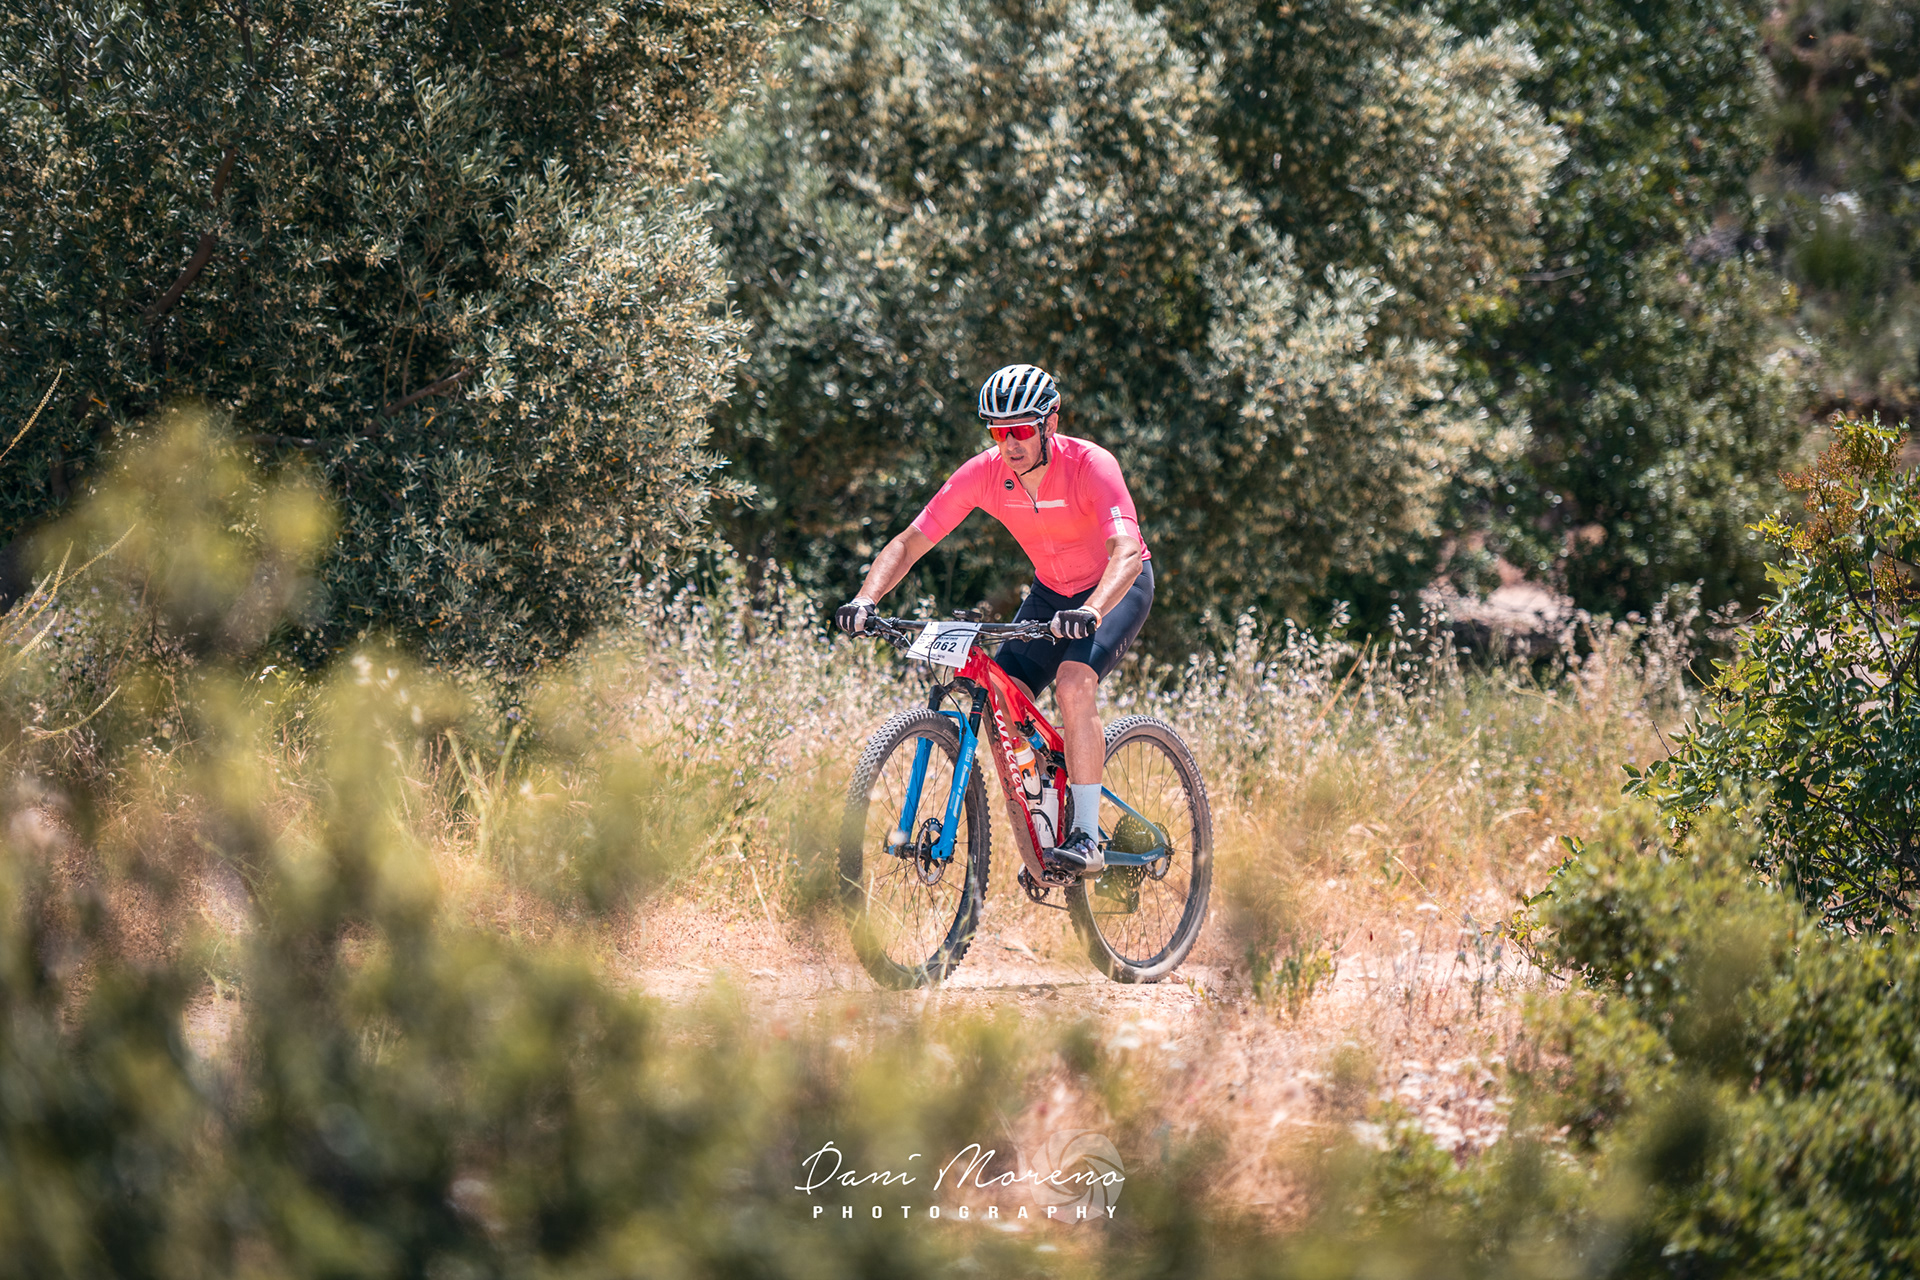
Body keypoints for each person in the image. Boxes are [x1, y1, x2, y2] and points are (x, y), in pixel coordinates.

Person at [834, 364, 1154, 877]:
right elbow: (910, 542)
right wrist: (865, 599)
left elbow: (1127, 552)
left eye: (1021, 429)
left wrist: (1092, 610)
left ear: (1050, 424)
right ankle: (1048, 822)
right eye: (997, 431)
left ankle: (1086, 834)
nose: (1009, 443)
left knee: (1073, 684)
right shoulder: (983, 473)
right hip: (1052, 593)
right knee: (1004, 701)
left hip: (1114, 588)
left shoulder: (1091, 465)